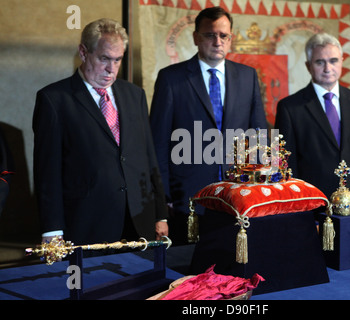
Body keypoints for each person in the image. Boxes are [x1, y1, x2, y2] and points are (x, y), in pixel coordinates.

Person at [33, 18, 168, 245]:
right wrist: (52, 229)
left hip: (138, 221)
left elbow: (148, 157)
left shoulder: (134, 95)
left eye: (118, 60)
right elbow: (48, 173)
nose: (111, 69)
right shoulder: (54, 100)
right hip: (86, 224)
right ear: (83, 52)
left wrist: (160, 213)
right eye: (104, 59)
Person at [150, 7, 267, 245]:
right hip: (188, 200)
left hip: (238, 195)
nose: (217, 41)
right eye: (210, 35)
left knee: (234, 273)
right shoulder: (171, 78)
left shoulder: (247, 76)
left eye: (223, 36)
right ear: (196, 38)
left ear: (231, 39)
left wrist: (259, 187)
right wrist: (164, 199)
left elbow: (257, 137)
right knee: (189, 275)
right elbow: (158, 144)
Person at [275, 33, 350, 199]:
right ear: (308, 66)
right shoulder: (289, 108)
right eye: (319, 62)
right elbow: (284, 166)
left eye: (333, 61)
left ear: (342, 61)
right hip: (312, 202)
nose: (327, 68)